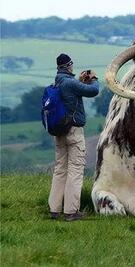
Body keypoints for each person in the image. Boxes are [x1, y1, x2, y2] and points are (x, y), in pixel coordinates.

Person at [48, 53, 99, 221]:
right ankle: (71, 211)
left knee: (60, 169)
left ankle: (54, 209)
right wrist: (93, 78)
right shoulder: (70, 83)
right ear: (69, 65)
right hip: (74, 132)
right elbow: (93, 91)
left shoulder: (57, 82)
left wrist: (80, 80)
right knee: (75, 170)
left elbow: (74, 90)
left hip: (59, 131)